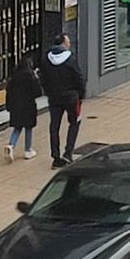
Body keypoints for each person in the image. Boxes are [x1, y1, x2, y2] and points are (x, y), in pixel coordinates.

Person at [39, 33, 86, 168]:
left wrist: (48, 92)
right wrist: (80, 95)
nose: (69, 44)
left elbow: (43, 79)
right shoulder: (70, 59)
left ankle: (55, 156)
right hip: (71, 98)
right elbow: (79, 78)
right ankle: (68, 153)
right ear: (63, 44)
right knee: (74, 122)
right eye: (68, 42)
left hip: (54, 98)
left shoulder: (46, 59)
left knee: (54, 127)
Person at [3, 57, 41, 163]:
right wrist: (36, 78)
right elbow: (37, 92)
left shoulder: (13, 78)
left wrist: (9, 107)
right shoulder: (31, 77)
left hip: (16, 107)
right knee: (28, 127)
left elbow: (8, 93)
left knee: (17, 128)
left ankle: (11, 145)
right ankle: (28, 150)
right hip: (28, 106)